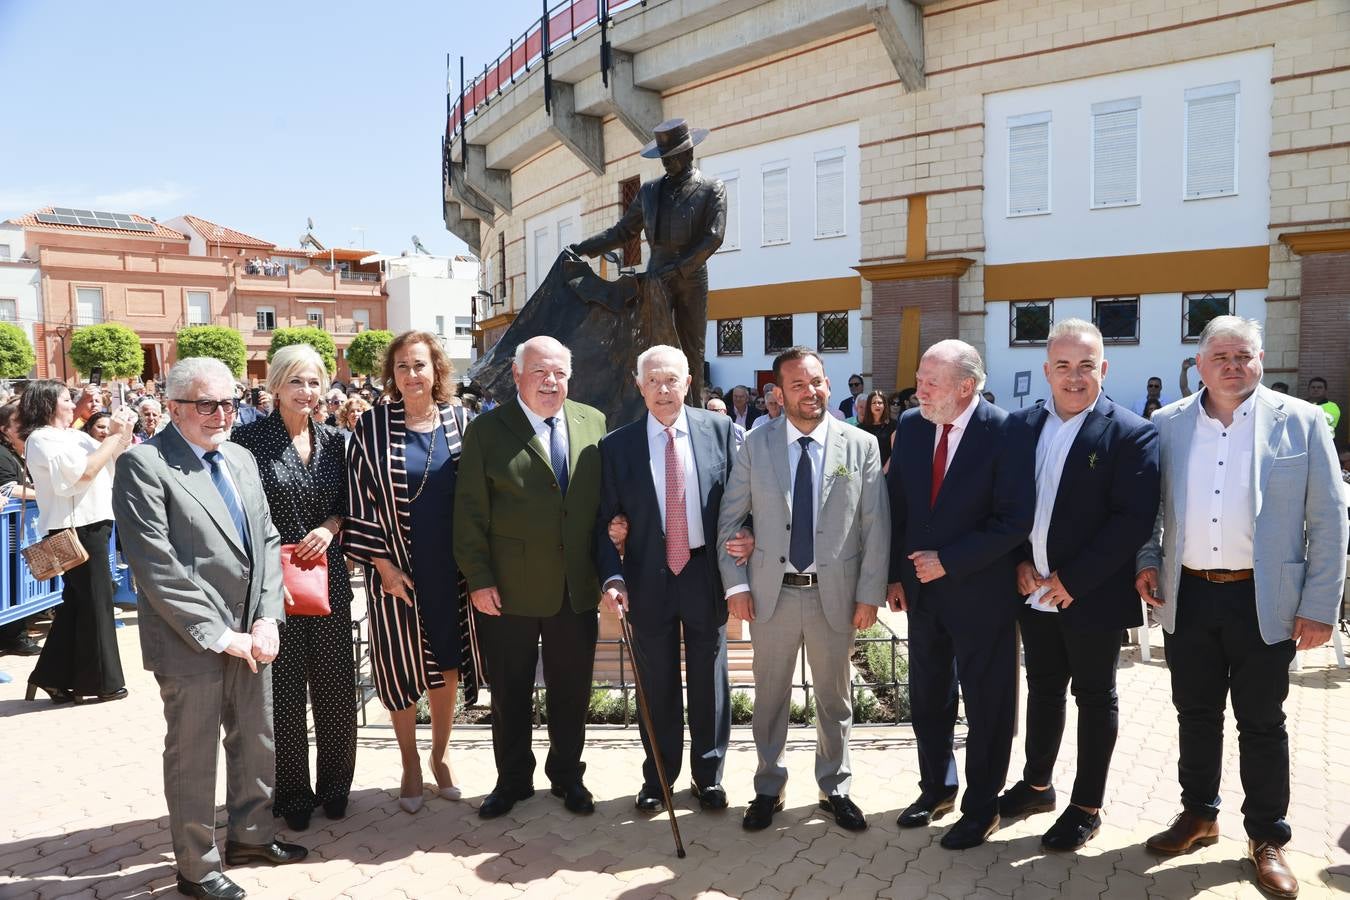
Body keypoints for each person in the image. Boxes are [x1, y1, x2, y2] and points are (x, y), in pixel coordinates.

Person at [1136, 316, 1346, 899]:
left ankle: (1267, 837)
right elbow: (1150, 508)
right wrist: (1146, 560)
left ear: (1261, 360)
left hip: (1266, 599)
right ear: (1199, 364)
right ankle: (1199, 815)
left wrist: (1319, 605)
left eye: (1244, 356)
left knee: (1261, 722)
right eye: (1220, 356)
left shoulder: (1300, 422)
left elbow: (1329, 521)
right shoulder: (1167, 424)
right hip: (1191, 594)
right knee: (1195, 714)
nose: (1232, 366)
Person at [113, 357, 306, 899]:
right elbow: (156, 568)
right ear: (173, 408)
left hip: (253, 633)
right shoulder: (144, 466)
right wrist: (225, 636)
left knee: (256, 739)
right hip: (189, 641)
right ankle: (196, 868)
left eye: (229, 401)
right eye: (206, 404)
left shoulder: (240, 457)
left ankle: (251, 836)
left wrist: (268, 615)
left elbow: (266, 541)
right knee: (193, 756)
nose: (222, 413)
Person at [1000, 320, 1160, 851]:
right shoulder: (1020, 426)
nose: (1074, 377)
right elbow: (1008, 506)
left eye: (1086, 365)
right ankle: (1037, 786)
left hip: (1089, 595)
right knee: (1043, 689)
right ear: (1047, 371)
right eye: (1063, 366)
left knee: (1095, 697)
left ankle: (1086, 805)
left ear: (1103, 369)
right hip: (1032, 590)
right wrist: (1020, 561)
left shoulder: (1131, 432)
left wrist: (1073, 580)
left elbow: (1131, 521)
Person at [717, 346, 890, 833]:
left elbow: (876, 526)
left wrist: (869, 595)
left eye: (816, 381)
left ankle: (834, 786)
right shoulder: (755, 444)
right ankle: (768, 787)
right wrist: (736, 587)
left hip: (833, 595)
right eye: (797, 384)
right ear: (778, 392)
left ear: (828, 384)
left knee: (834, 700)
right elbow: (730, 521)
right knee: (769, 700)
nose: (809, 391)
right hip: (772, 595)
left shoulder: (861, 446)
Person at [886, 340, 1035, 850]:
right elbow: (898, 506)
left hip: (981, 594)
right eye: (920, 378)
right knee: (929, 696)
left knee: (988, 703)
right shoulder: (910, 426)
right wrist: (893, 576)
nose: (919, 389)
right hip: (922, 595)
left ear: (966, 387)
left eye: (931, 381)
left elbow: (1014, 520)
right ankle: (937, 789)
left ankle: (982, 807)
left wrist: (949, 559)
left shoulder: (1008, 431)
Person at [454, 335, 607, 820]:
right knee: (510, 691)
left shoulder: (593, 421)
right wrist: (478, 579)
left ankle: (567, 777)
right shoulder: (488, 430)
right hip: (508, 590)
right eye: (539, 371)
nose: (550, 380)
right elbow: (470, 514)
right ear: (517, 375)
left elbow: (603, 499)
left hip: (574, 588)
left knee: (571, 691)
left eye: (559, 372)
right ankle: (513, 780)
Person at [595, 345, 745, 813]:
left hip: (705, 573)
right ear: (639, 386)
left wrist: (749, 537)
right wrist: (614, 578)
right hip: (648, 578)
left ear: (688, 382)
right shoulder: (616, 446)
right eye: (654, 381)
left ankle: (709, 776)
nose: (663, 389)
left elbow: (745, 502)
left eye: (672, 380)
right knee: (656, 682)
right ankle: (659, 778)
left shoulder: (722, 432)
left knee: (710, 681)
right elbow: (605, 522)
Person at [345, 331, 475, 813]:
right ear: (391, 375)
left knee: (447, 665)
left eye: (420, 365)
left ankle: (441, 758)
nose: (412, 375)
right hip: (393, 569)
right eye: (402, 366)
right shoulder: (372, 427)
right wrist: (382, 566)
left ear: (437, 370)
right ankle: (409, 763)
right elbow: (358, 501)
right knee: (398, 667)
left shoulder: (462, 420)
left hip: (451, 569)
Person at [232, 345, 355, 832]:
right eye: (297, 381)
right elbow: (240, 512)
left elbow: (350, 499)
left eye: (315, 381)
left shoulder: (337, 441)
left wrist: (331, 524)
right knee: (281, 695)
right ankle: (292, 793)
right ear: (276, 385)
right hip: (272, 585)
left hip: (328, 580)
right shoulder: (248, 442)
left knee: (336, 690)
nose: (308, 391)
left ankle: (335, 787)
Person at [571, 118, 726, 403]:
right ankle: (653, 407)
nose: (667, 163)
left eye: (673, 156)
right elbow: (623, 231)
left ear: (689, 153)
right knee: (655, 345)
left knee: (693, 348)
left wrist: (679, 269)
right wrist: (584, 247)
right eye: (664, 157)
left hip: (691, 277)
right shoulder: (650, 192)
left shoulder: (711, 188)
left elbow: (713, 237)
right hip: (656, 278)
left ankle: (693, 410)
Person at [21, 381, 136, 705]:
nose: (73, 403)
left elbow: (109, 463)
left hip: (95, 524)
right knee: (96, 604)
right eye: (64, 399)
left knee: (78, 605)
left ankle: (50, 676)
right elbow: (78, 477)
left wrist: (120, 432)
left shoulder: (75, 435)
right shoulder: (41, 439)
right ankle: (101, 682)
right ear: (47, 404)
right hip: (74, 529)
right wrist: (111, 438)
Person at [0, 403, 41, 657]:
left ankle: (16, 634)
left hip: (20, 532)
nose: (26, 427)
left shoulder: (17, 452)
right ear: (4, 429)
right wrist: (45, 495)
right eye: (19, 422)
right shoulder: (2, 455)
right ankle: (15, 637)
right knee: (11, 584)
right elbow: (9, 488)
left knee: (17, 583)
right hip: (10, 535)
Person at [854, 389, 895, 469]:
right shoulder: (860, 428)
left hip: (888, 473)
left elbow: (895, 453)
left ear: (884, 405)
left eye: (880, 403)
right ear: (869, 406)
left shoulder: (893, 426)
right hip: (867, 472)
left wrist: (882, 472)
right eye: (874, 403)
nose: (877, 405)